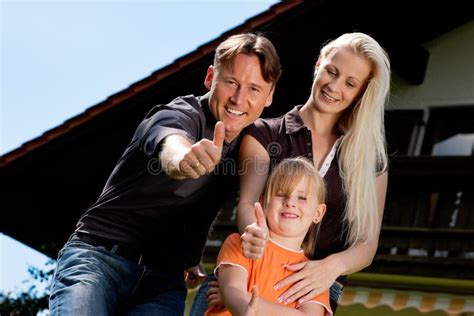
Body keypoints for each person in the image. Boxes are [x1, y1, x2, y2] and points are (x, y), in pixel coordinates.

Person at [48, 32, 281, 315]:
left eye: (254, 89)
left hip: (163, 283)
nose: (239, 98)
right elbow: (170, 142)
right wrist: (183, 159)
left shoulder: (250, 146)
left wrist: (190, 253)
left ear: (269, 96)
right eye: (231, 82)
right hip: (99, 260)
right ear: (210, 78)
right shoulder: (180, 113)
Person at [193, 31, 390, 314]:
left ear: (362, 91)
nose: (334, 86)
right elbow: (249, 204)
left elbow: (366, 245)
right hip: (249, 274)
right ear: (318, 64)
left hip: (313, 293)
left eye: (350, 83)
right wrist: (243, 271)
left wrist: (328, 268)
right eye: (331, 71)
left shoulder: (370, 161)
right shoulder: (264, 133)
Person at [206, 157, 332, 316]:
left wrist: (252, 302)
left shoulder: (315, 276)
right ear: (263, 201)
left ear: (318, 213)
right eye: (281, 194)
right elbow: (232, 290)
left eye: (302, 197)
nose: (290, 203)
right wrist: (243, 306)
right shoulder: (241, 243)